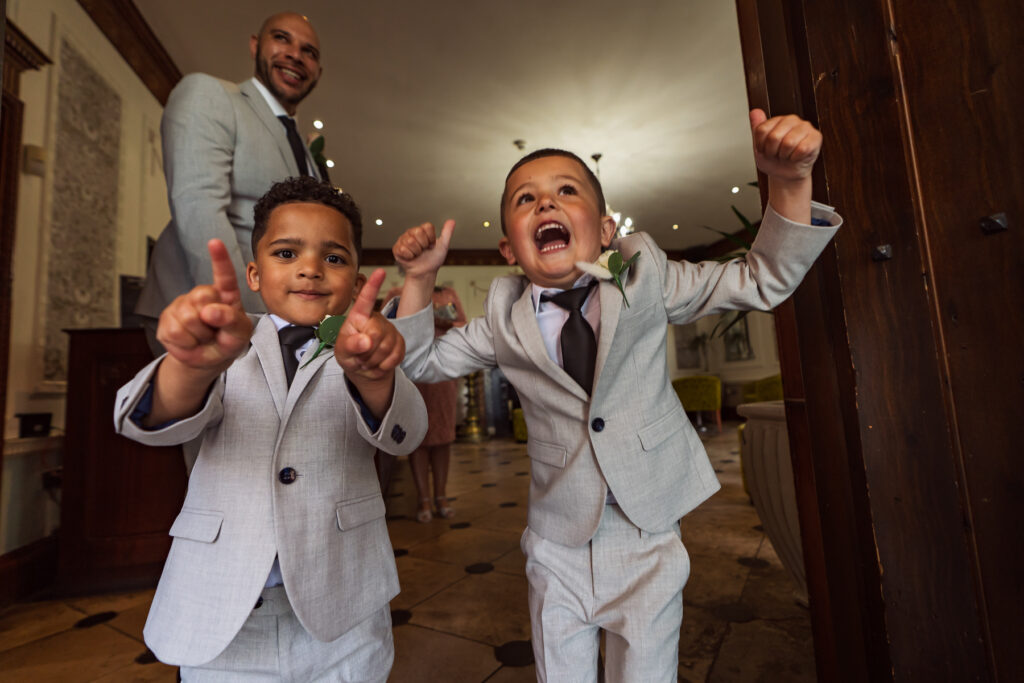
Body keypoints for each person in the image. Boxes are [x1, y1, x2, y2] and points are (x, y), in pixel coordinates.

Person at [390, 109, 842, 681]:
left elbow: (763, 279)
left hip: (647, 531)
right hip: (556, 539)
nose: (545, 204)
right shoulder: (501, 319)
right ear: (509, 249)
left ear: (605, 230)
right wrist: (418, 281)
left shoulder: (647, 277)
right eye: (525, 199)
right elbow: (418, 361)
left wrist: (791, 182)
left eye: (566, 191)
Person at [114, 177, 426, 681]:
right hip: (225, 609)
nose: (310, 268)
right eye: (287, 252)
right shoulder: (225, 340)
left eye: (334, 257)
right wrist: (191, 368)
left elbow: (406, 434)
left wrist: (375, 379)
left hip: (343, 605)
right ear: (254, 274)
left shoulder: (365, 349)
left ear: (355, 278)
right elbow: (143, 422)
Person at [136, 12, 326, 354]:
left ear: (318, 72)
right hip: (206, 320)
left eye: (309, 51)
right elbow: (199, 208)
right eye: (281, 39)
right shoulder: (210, 94)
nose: (296, 54)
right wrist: (248, 324)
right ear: (256, 46)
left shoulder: (309, 157)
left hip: (282, 332)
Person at [410, 285, 467, 522]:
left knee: (443, 436)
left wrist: (444, 324)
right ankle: (424, 498)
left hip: (443, 370)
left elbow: (463, 325)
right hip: (412, 371)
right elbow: (388, 329)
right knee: (418, 439)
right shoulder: (399, 294)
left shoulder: (449, 293)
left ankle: (441, 496)